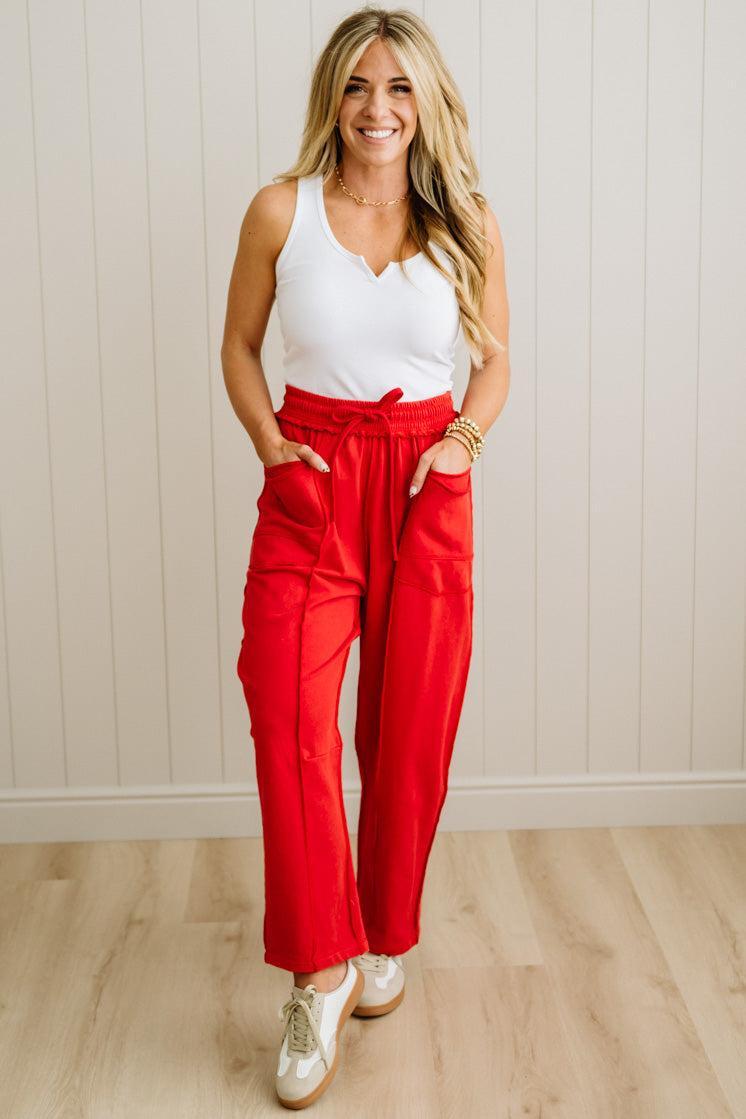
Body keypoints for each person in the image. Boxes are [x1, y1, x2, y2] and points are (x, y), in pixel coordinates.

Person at [221, 6, 509, 1109]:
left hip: (424, 481)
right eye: (355, 86)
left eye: (397, 87)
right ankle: (317, 967)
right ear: (329, 100)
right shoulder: (278, 212)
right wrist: (271, 447)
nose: (376, 108)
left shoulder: (467, 221)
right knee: (288, 720)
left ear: (425, 100)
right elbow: (237, 346)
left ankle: (383, 935)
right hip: (315, 477)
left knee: (410, 728)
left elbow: (494, 361)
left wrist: (458, 447)